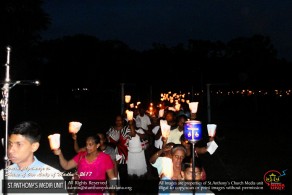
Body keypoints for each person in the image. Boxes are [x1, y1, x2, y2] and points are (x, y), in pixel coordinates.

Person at [0, 121, 66, 195]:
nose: (10, 150)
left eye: (19, 144)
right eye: (10, 144)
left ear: (34, 147)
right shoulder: (3, 174)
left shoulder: (51, 176)